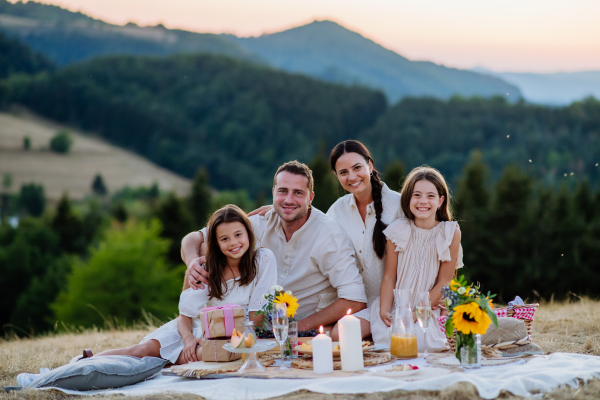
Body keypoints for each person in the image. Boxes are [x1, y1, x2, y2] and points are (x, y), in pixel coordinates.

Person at [182, 161, 367, 335]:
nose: (288, 199)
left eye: (298, 193)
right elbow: (193, 238)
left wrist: (297, 328)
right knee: (208, 249)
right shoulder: (262, 222)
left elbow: (355, 299)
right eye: (283, 191)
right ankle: (194, 325)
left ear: (310, 198)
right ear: (273, 193)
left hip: (299, 326)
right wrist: (192, 262)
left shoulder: (329, 236)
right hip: (251, 323)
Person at [84, 205, 275, 364]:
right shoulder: (207, 268)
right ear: (216, 243)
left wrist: (210, 341)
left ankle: (169, 361)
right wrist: (189, 339)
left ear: (249, 234)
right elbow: (184, 316)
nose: (233, 243)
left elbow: (256, 319)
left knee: (212, 356)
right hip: (194, 329)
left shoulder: (263, 260)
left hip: (235, 335)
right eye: (224, 239)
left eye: (238, 234)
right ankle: (85, 362)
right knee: (141, 350)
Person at [370, 166, 463, 351]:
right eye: (417, 195)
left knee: (420, 342)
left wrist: (415, 314)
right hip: (399, 305)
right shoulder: (398, 230)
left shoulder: (449, 233)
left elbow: (444, 282)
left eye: (430, 196)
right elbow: (389, 276)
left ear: (440, 200)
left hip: (429, 307)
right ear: (408, 199)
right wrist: (385, 310)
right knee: (391, 340)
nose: (423, 201)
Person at [326, 140, 403, 339]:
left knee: (339, 334)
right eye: (343, 172)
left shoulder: (399, 204)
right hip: (354, 305)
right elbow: (314, 230)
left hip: (392, 303)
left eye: (357, 167)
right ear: (336, 176)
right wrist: (278, 210)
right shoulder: (336, 211)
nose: (352, 177)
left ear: (370, 165)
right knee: (326, 333)